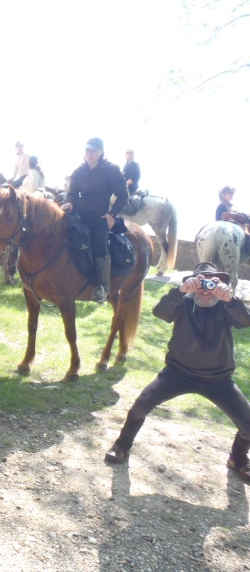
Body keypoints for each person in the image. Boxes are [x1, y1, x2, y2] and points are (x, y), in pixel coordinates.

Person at [104, 262, 250, 484]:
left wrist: (231, 300)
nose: (206, 288)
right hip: (178, 373)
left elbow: (246, 321)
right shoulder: (183, 302)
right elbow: (159, 312)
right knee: (140, 405)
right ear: (192, 284)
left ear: (220, 284)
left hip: (218, 378)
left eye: (212, 282)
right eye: (200, 282)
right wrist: (179, 291)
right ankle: (122, 446)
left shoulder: (226, 306)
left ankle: (237, 459)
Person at [60, 137, 129, 303]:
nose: (89, 154)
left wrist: (112, 214)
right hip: (79, 215)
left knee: (100, 244)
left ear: (101, 152)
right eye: (87, 150)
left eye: (93, 150)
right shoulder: (79, 171)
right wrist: (69, 201)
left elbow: (123, 195)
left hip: (99, 217)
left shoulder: (111, 170)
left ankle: (103, 287)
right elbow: (72, 192)